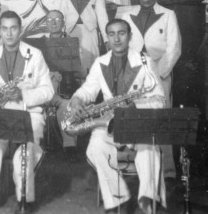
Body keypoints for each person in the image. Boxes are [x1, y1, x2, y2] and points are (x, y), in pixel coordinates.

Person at [69, 19, 167, 214]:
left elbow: (160, 100)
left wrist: (135, 105)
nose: (117, 38)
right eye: (112, 34)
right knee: (95, 148)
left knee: (150, 148)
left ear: (130, 36)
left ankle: (150, 200)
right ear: (108, 38)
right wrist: (78, 100)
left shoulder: (145, 61)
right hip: (108, 122)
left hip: (137, 121)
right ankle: (118, 201)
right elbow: (87, 90)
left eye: (121, 33)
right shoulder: (100, 62)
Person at [0, 11, 53, 214]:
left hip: (29, 113)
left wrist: (22, 94)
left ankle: (25, 200)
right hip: (2, 113)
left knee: (24, 153)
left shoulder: (35, 55)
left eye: (13, 28)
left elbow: (48, 91)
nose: (9, 34)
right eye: (5, 29)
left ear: (20, 30)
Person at [120, 0, 181, 180]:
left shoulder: (168, 14)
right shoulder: (127, 15)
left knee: (161, 118)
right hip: (133, 74)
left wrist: (158, 74)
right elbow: (121, 45)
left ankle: (167, 170)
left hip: (160, 72)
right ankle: (135, 165)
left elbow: (174, 49)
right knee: (133, 117)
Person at [40, 10, 80, 162]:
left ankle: (69, 147)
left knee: (66, 107)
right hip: (43, 87)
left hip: (64, 89)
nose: (53, 22)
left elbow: (80, 71)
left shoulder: (73, 43)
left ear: (63, 22)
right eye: (50, 20)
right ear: (46, 23)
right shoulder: (39, 44)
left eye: (57, 19)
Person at [60, 0, 109, 76]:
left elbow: (102, 18)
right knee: (71, 67)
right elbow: (61, 16)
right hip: (70, 33)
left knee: (89, 66)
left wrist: (106, 39)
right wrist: (61, 36)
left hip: (90, 33)